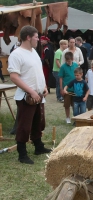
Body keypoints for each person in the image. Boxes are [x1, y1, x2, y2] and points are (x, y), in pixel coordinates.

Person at [8, 25, 51, 164]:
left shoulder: (34, 52)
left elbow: (38, 72)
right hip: (26, 97)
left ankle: (38, 147)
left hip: (38, 95)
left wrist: (44, 86)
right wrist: (31, 91)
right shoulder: (17, 54)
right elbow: (14, 77)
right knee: (24, 126)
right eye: (36, 37)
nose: (38, 40)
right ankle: (22, 154)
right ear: (28, 37)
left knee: (38, 123)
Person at [59, 52, 78, 124]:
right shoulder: (63, 67)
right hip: (66, 89)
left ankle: (75, 117)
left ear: (72, 59)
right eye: (67, 60)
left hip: (75, 89)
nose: (68, 62)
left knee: (74, 104)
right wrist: (61, 88)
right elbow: (60, 78)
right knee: (67, 105)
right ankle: (67, 117)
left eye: (69, 60)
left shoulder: (76, 65)